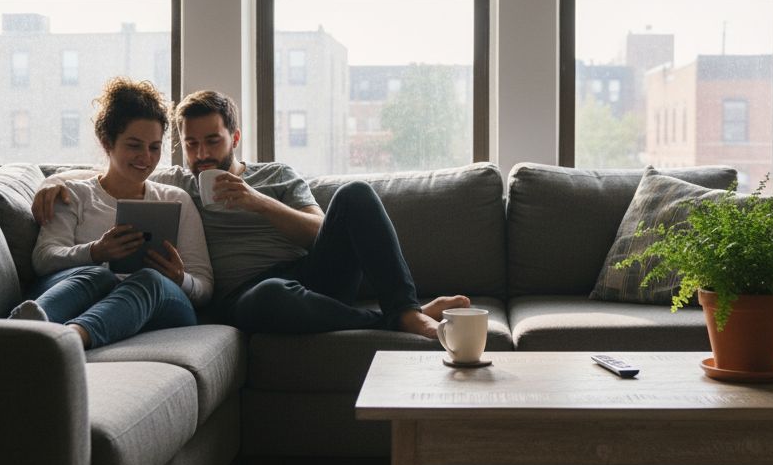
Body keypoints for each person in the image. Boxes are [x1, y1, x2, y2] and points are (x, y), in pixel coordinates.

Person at [32, 89, 467, 338]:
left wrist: (257, 201)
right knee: (271, 295)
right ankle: (393, 320)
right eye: (191, 143)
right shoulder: (180, 183)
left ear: (234, 137)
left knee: (355, 192)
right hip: (249, 297)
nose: (201, 154)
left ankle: (406, 310)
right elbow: (124, 168)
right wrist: (53, 180)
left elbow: (322, 234)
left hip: (311, 275)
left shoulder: (276, 175)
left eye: (212, 141)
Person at [11, 78, 213, 349]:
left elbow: (204, 287)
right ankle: (21, 332)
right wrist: (96, 252)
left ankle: (74, 336)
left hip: (160, 303)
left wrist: (180, 279)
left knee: (150, 278)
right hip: (88, 294)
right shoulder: (72, 194)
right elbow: (43, 260)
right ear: (107, 143)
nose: (146, 157)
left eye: (154, 147)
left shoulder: (176, 200)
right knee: (98, 275)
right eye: (134, 145)